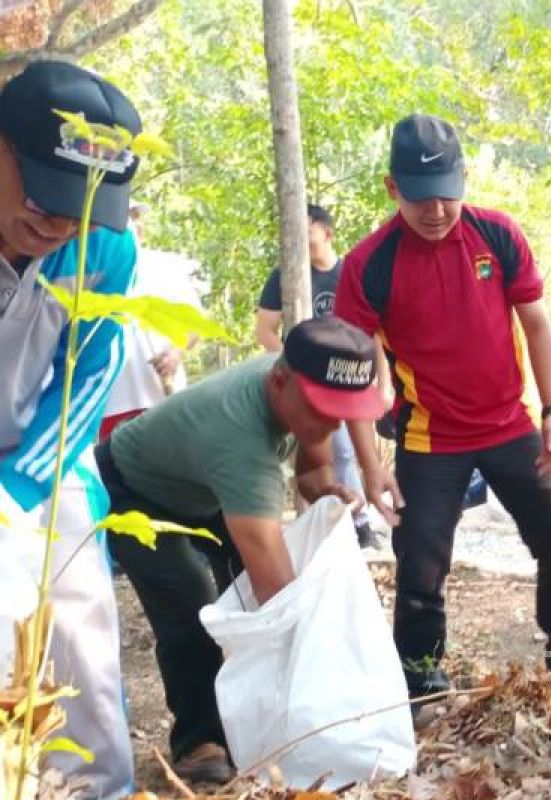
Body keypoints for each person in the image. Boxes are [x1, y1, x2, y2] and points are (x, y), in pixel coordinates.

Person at [335, 113, 551, 700]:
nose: (437, 211)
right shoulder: (368, 265)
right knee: (420, 565)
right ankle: (423, 676)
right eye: (422, 198)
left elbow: (537, 324)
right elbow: (352, 375)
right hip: (429, 437)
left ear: (465, 180)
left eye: (448, 195)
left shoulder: (497, 235)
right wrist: (371, 464)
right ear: (392, 187)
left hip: (510, 424)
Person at [99, 317, 387, 782]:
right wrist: (331, 685)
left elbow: (312, 474)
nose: (334, 422)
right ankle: (198, 740)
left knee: (250, 588)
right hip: (135, 486)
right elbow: (279, 593)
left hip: (203, 487)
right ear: (279, 381)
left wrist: (327, 492)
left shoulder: (304, 401)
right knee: (192, 603)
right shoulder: (238, 438)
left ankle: (253, 714)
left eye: (344, 410)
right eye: (324, 409)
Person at [0, 60, 142, 799]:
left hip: (45, 461)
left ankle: (98, 790)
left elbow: (91, 371)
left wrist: (20, 488)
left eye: (77, 209)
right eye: (41, 196)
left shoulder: (106, 250)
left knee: (78, 637)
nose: (55, 224)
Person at [255, 203, 379, 548]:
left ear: (326, 233)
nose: (299, 238)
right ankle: (339, 525)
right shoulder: (285, 276)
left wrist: (380, 384)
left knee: (342, 451)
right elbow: (265, 329)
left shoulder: (350, 274)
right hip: (303, 384)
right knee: (319, 451)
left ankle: (357, 521)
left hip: (351, 381)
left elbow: (375, 334)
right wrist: (293, 375)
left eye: (305, 230)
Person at [99, 200, 202, 438]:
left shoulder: (165, 268)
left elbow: (195, 325)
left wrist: (176, 353)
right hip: (110, 402)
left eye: (134, 219)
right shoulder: (94, 270)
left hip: (160, 395)